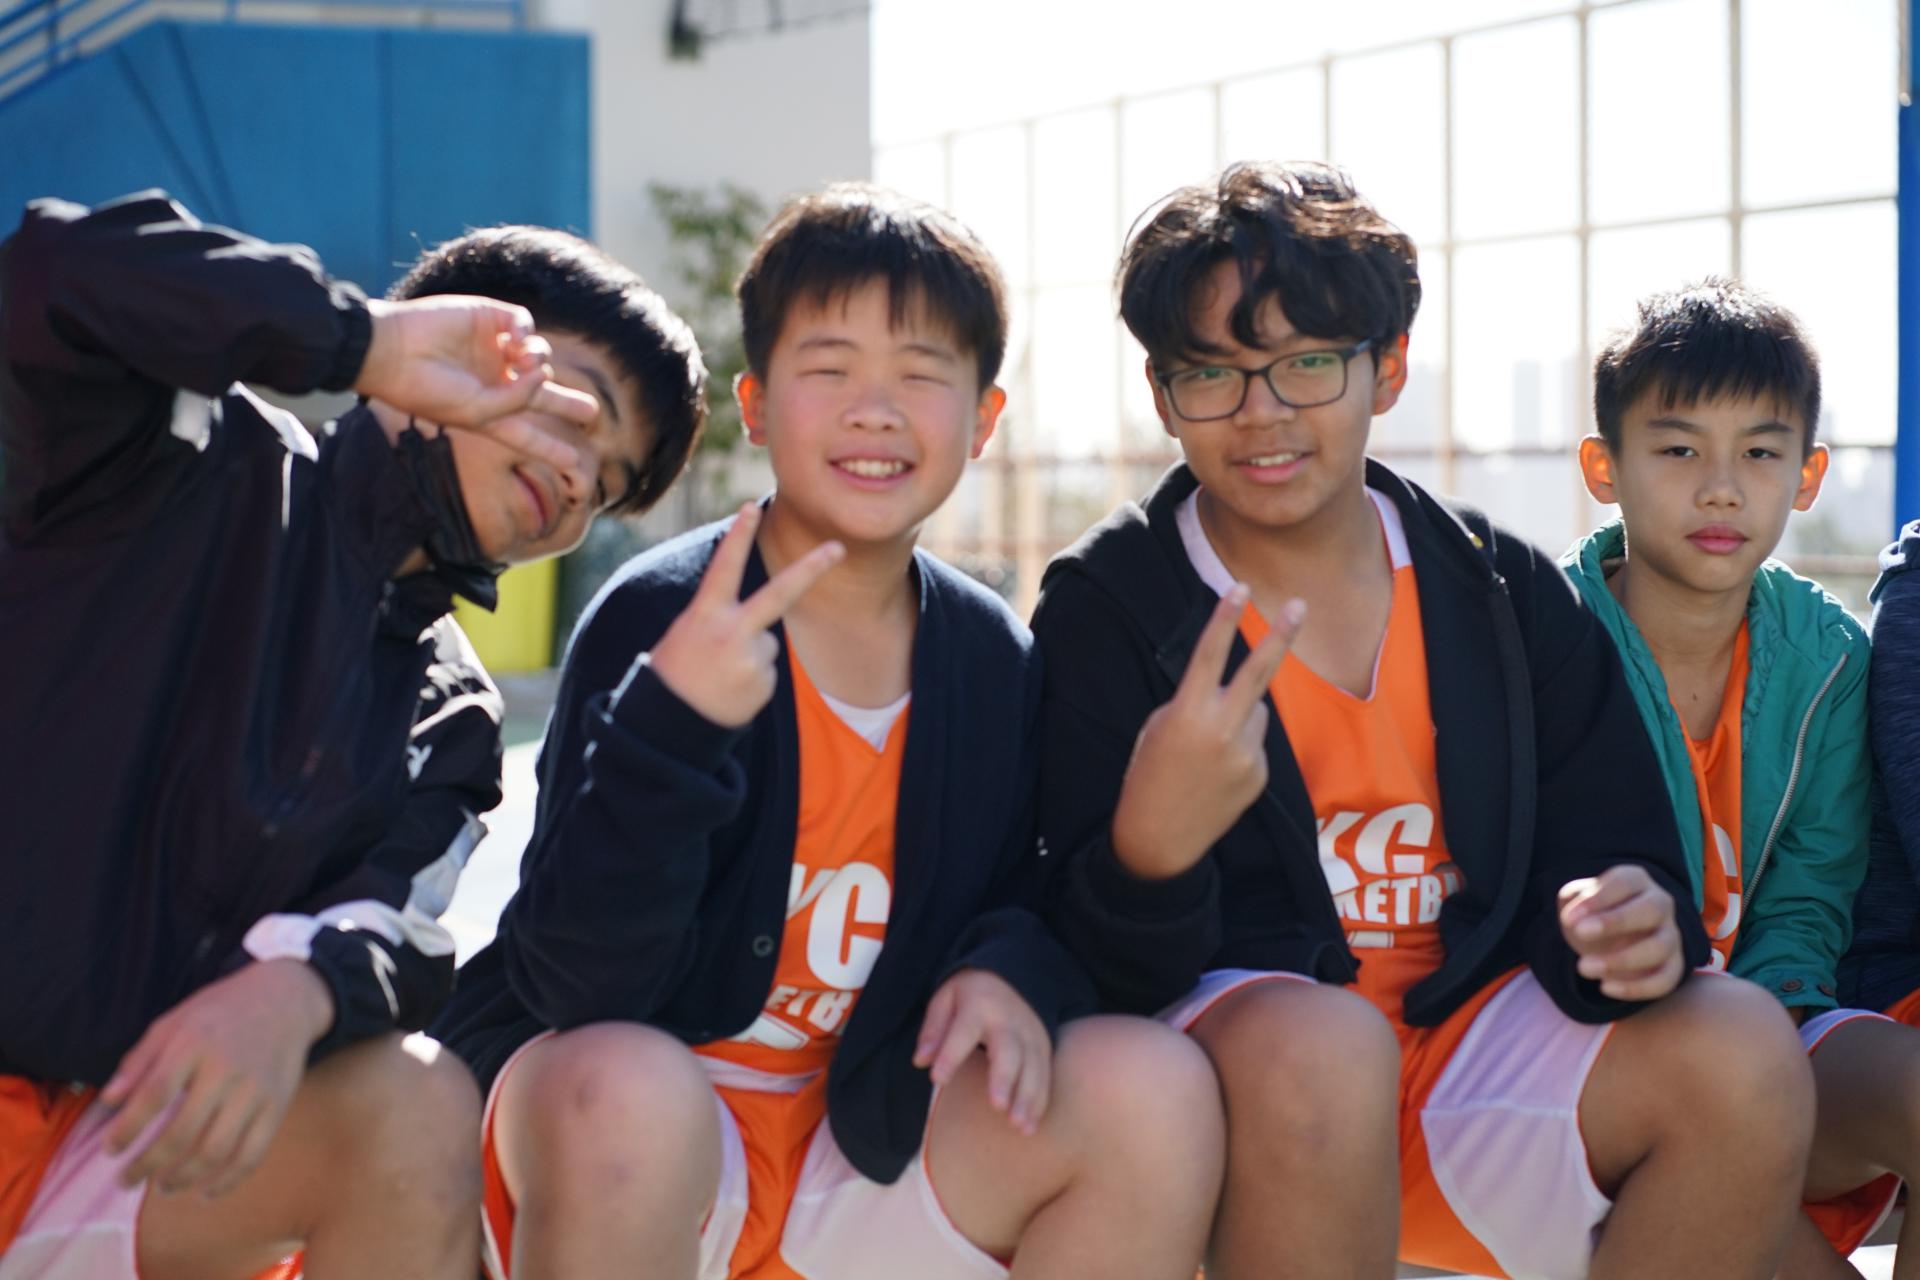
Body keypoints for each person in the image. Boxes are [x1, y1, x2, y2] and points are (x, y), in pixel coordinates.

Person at [1034, 161, 1813, 1279]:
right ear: (1163, 396)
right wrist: (1150, 850)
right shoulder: (1111, 607)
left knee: (1741, 1045)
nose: (1262, 412)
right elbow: (1078, 961)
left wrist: (1631, 920)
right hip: (1252, 1095)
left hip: (1469, 1065)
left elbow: (1613, 843)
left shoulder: (1495, 588)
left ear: (1387, 367)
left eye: (1307, 363)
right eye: (1212, 374)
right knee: (1323, 1042)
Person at [433, 183, 1226, 1280]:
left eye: (921, 372)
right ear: (756, 405)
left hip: (856, 1134)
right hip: (633, 1127)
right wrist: (675, 728)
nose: (875, 409)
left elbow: (1021, 897)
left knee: (1151, 1087)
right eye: (831, 367)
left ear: (983, 418)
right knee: (629, 1088)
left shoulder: (991, 656)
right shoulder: (665, 615)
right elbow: (578, 980)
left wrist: (1008, 970)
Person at [0, 190, 706, 1279]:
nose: (578, 481)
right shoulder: (175, 453)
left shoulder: (452, 714)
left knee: (414, 1102)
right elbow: (53, 274)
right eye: (575, 415)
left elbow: (396, 926)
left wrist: (297, 989)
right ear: (456, 334)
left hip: (122, 1138)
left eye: (606, 485)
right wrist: (360, 340)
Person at [1563, 278, 1898, 1276]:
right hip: (1593, 1050)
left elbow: (1811, 889)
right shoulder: (1544, 640)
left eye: (1759, 452)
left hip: (1774, 1023)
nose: (1722, 489)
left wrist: (1764, 1035)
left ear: (1807, 474)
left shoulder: (1828, 656)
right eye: (1678, 450)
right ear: (1604, 467)